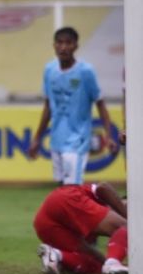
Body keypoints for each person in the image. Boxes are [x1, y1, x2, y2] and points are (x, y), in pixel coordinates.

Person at [27, 27, 116, 184]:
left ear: (76, 46)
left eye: (68, 43)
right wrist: (37, 138)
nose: (63, 47)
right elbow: (48, 105)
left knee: (72, 190)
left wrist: (108, 135)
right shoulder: (50, 70)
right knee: (62, 190)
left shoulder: (85, 72)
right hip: (56, 139)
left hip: (78, 140)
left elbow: (100, 103)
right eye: (59, 43)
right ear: (54, 45)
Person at [34, 182, 128, 274]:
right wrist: (127, 216)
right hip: (67, 198)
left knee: (95, 265)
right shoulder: (105, 200)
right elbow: (103, 186)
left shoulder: (96, 219)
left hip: (43, 224)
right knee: (129, 228)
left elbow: (88, 250)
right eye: (127, 205)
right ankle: (113, 263)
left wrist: (105, 262)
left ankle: (56, 255)